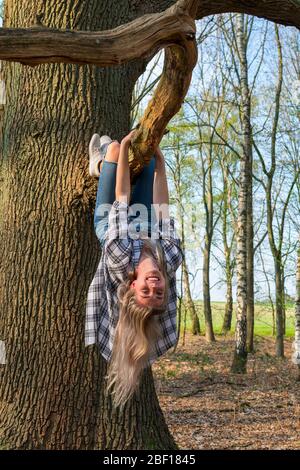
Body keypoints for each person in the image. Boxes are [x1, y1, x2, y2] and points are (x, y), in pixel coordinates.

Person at [85, 130, 183, 408]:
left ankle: (101, 163)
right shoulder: (171, 257)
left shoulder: (119, 257)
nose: (154, 284)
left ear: (133, 285)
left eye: (146, 291)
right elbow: (162, 208)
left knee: (117, 149)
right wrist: (161, 163)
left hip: (111, 219)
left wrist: (126, 147)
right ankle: (112, 162)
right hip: (146, 218)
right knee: (149, 158)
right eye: (159, 292)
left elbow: (122, 196)